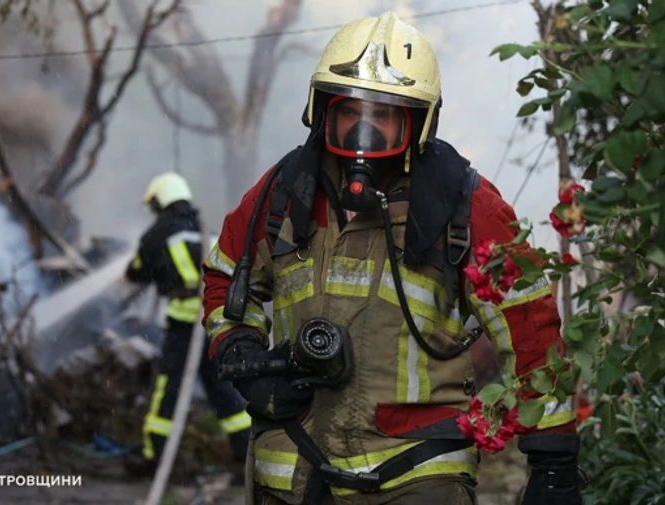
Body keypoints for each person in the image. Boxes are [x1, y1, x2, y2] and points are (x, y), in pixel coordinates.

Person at [201, 12, 582, 505]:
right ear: (322, 113)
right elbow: (224, 277)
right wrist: (244, 355)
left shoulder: (464, 206)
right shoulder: (284, 194)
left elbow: (531, 329)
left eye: (382, 116)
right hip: (293, 473)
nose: (363, 132)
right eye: (348, 113)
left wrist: (553, 462)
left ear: (417, 122)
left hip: (415, 477)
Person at [124, 171, 252, 475]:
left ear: (161, 200)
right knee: (222, 388)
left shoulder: (157, 234)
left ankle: (153, 455)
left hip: (184, 325)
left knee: (168, 387)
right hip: (214, 322)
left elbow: (136, 273)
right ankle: (247, 455)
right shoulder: (203, 228)